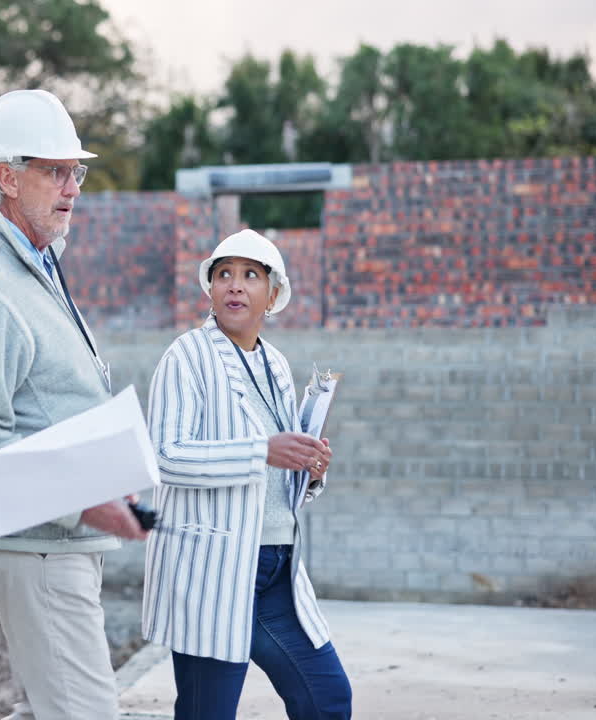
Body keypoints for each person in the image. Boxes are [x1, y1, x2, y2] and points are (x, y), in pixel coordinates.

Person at [0, 89, 149, 720]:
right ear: (6, 176)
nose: (72, 187)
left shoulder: (33, 265)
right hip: (37, 549)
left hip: (51, 543)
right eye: (54, 171)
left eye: (74, 171)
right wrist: (84, 499)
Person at [142, 229, 352, 720]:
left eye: (250, 275)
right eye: (224, 275)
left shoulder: (275, 364)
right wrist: (262, 451)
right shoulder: (185, 357)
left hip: (276, 567)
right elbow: (166, 457)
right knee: (207, 712)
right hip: (213, 568)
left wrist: (310, 467)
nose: (235, 285)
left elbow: (277, 467)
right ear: (210, 290)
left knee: (327, 697)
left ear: (273, 295)